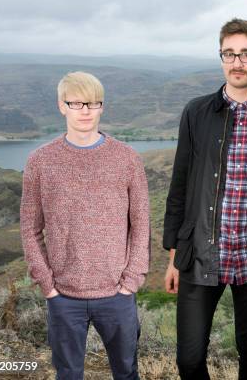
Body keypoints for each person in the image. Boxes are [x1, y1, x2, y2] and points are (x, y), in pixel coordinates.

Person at [162, 18, 247, 380]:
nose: (237, 62)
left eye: (246, 54)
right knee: (189, 359)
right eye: (229, 54)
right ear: (221, 57)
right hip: (201, 252)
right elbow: (180, 186)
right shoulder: (196, 112)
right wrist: (174, 254)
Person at [20, 71, 150, 380]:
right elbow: (29, 228)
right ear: (61, 106)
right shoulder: (40, 161)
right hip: (63, 297)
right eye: (76, 103)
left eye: (93, 103)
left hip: (117, 295)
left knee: (127, 372)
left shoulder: (127, 159)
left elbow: (141, 223)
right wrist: (47, 285)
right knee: (68, 374)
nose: (86, 111)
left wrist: (130, 281)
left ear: (102, 107)